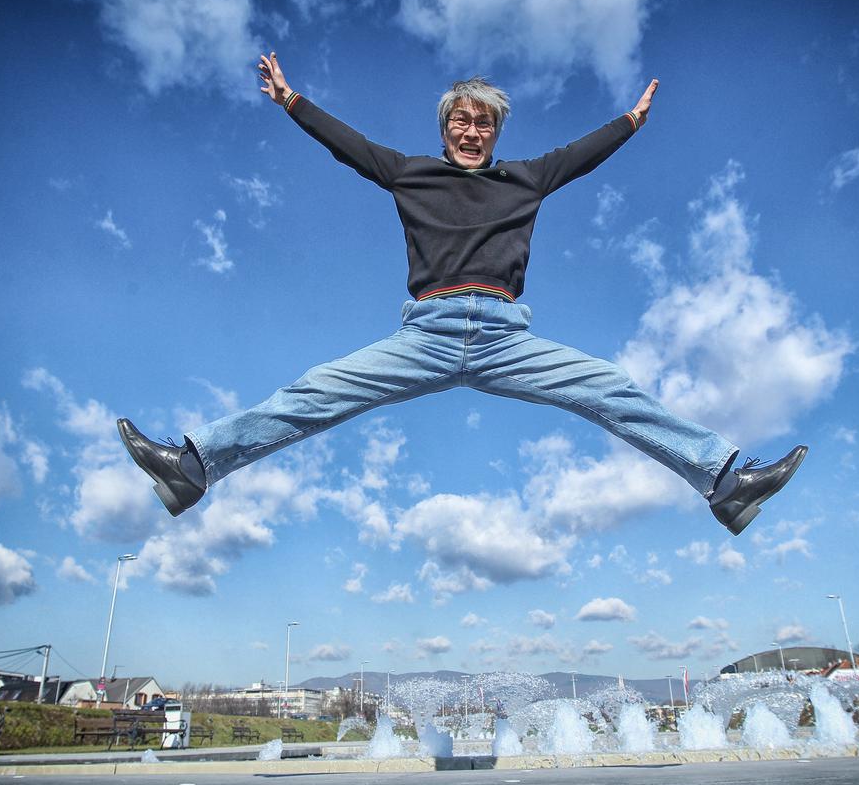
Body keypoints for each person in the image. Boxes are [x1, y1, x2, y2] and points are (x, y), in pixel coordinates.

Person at [118, 51, 806, 537]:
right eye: (461, 121)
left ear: (496, 132)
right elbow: (349, 146)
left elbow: (579, 154)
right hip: (427, 334)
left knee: (612, 388)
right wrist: (292, 100)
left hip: (510, 337)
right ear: (445, 127)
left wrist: (630, 121)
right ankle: (194, 465)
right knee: (314, 392)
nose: (472, 132)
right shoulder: (410, 173)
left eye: (484, 124)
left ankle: (723, 481)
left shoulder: (526, 178)